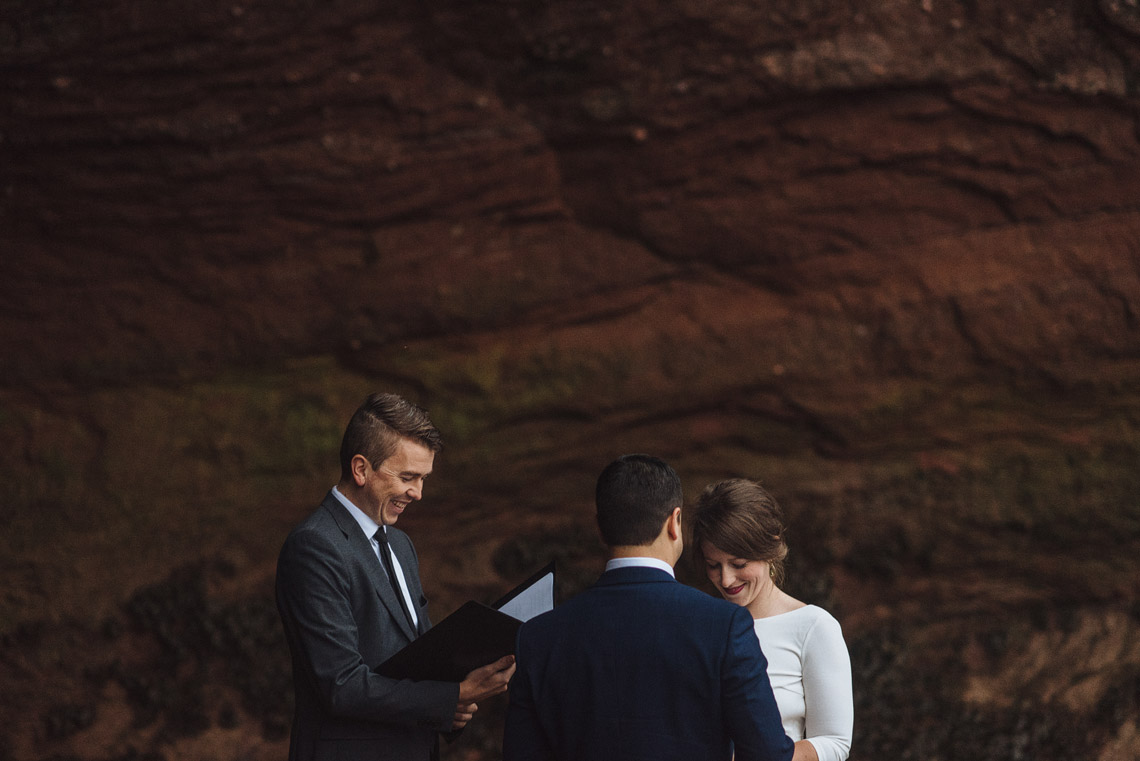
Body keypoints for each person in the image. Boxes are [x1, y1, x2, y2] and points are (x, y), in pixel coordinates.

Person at [503, 454, 795, 761]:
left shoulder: (538, 639)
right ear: (675, 522)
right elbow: (769, 754)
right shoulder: (723, 626)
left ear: (600, 529)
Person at [275, 392, 516, 761]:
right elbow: (342, 685)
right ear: (361, 469)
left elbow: (421, 658)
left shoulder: (401, 544)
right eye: (408, 477)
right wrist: (453, 697)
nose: (418, 493)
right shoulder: (314, 546)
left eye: (423, 478)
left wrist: (456, 698)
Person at [691, 479, 853, 761]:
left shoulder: (814, 626)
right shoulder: (697, 626)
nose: (726, 579)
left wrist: (767, 755)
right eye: (713, 565)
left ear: (771, 546)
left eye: (739, 564)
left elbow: (835, 742)